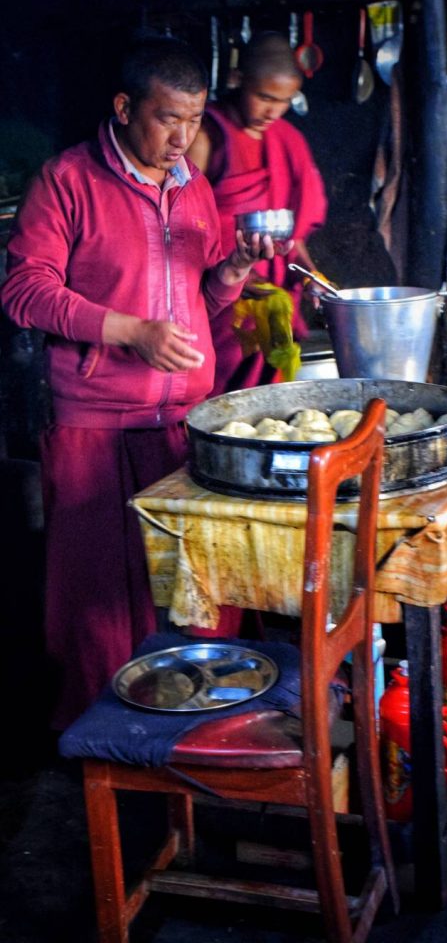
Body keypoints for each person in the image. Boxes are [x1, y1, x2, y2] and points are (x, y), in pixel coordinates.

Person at [0, 37, 276, 730]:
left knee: (194, 587)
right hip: (94, 422)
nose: (183, 137)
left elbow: (202, 300)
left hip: (183, 423)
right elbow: (24, 292)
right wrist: (130, 331)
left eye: (195, 119)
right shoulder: (68, 179)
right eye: (167, 118)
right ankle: (103, 743)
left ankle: (196, 732)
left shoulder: (195, 189)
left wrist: (233, 270)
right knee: (97, 600)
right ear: (125, 109)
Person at [188, 31, 328, 395]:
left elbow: (292, 235)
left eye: (284, 101)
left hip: (270, 298)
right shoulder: (206, 136)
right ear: (238, 80)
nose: (273, 112)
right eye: (264, 97)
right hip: (216, 299)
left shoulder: (288, 140)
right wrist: (236, 280)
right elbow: (179, 224)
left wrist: (310, 274)